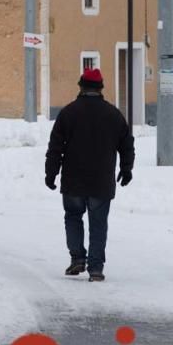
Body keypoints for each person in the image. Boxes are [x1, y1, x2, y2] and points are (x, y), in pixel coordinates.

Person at [45, 67, 134, 282]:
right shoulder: (114, 115)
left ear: (81, 87)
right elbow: (126, 144)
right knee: (98, 222)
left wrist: (51, 173)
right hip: (101, 181)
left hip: (73, 179)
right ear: (101, 88)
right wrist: (126, 168)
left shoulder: (68, 113)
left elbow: (56, 146)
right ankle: (95, 268)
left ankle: (77, 259)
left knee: (73, 216)